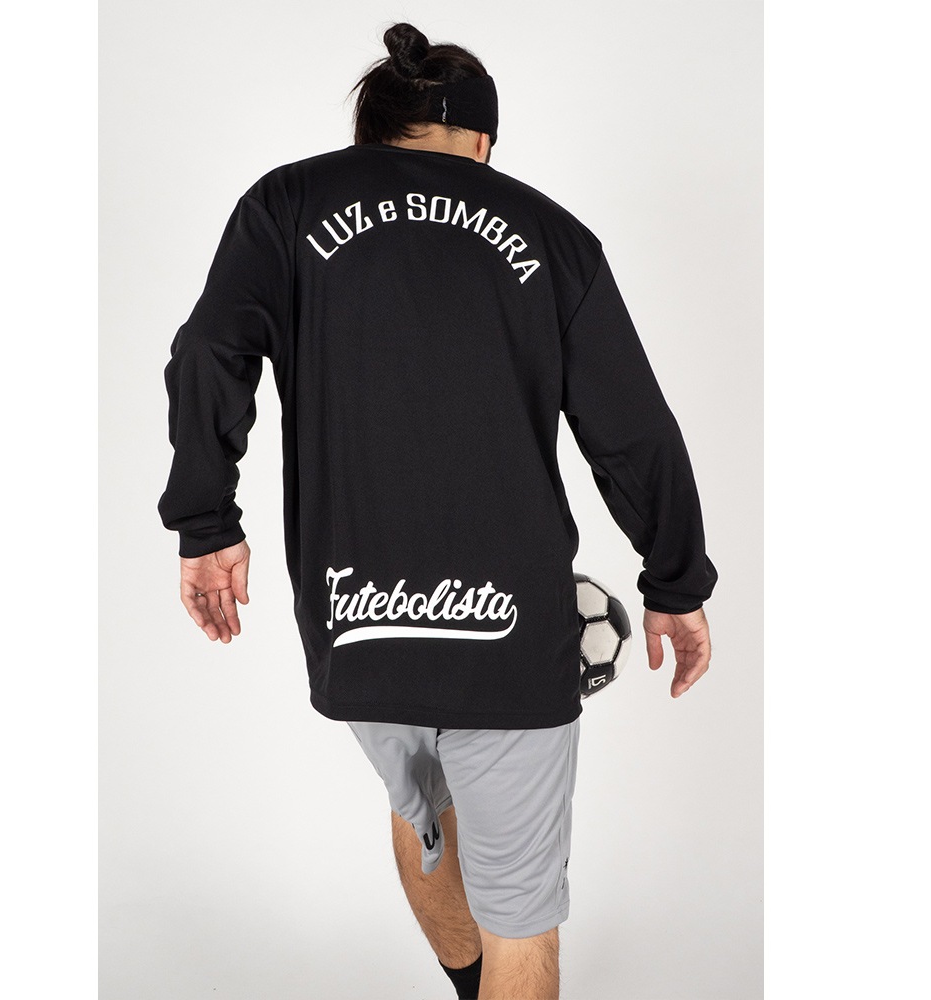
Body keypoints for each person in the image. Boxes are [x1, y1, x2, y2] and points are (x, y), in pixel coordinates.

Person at [157, 21, 717, 1000]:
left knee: (422, 811)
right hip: (508, 636)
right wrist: (675, 579)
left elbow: (209, 351)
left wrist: (207, 522)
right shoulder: (551, 236)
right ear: (483, 141)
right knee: (521, 917)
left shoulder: (285, 204)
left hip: (356, 627)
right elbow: (633, 432)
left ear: (371, 133)